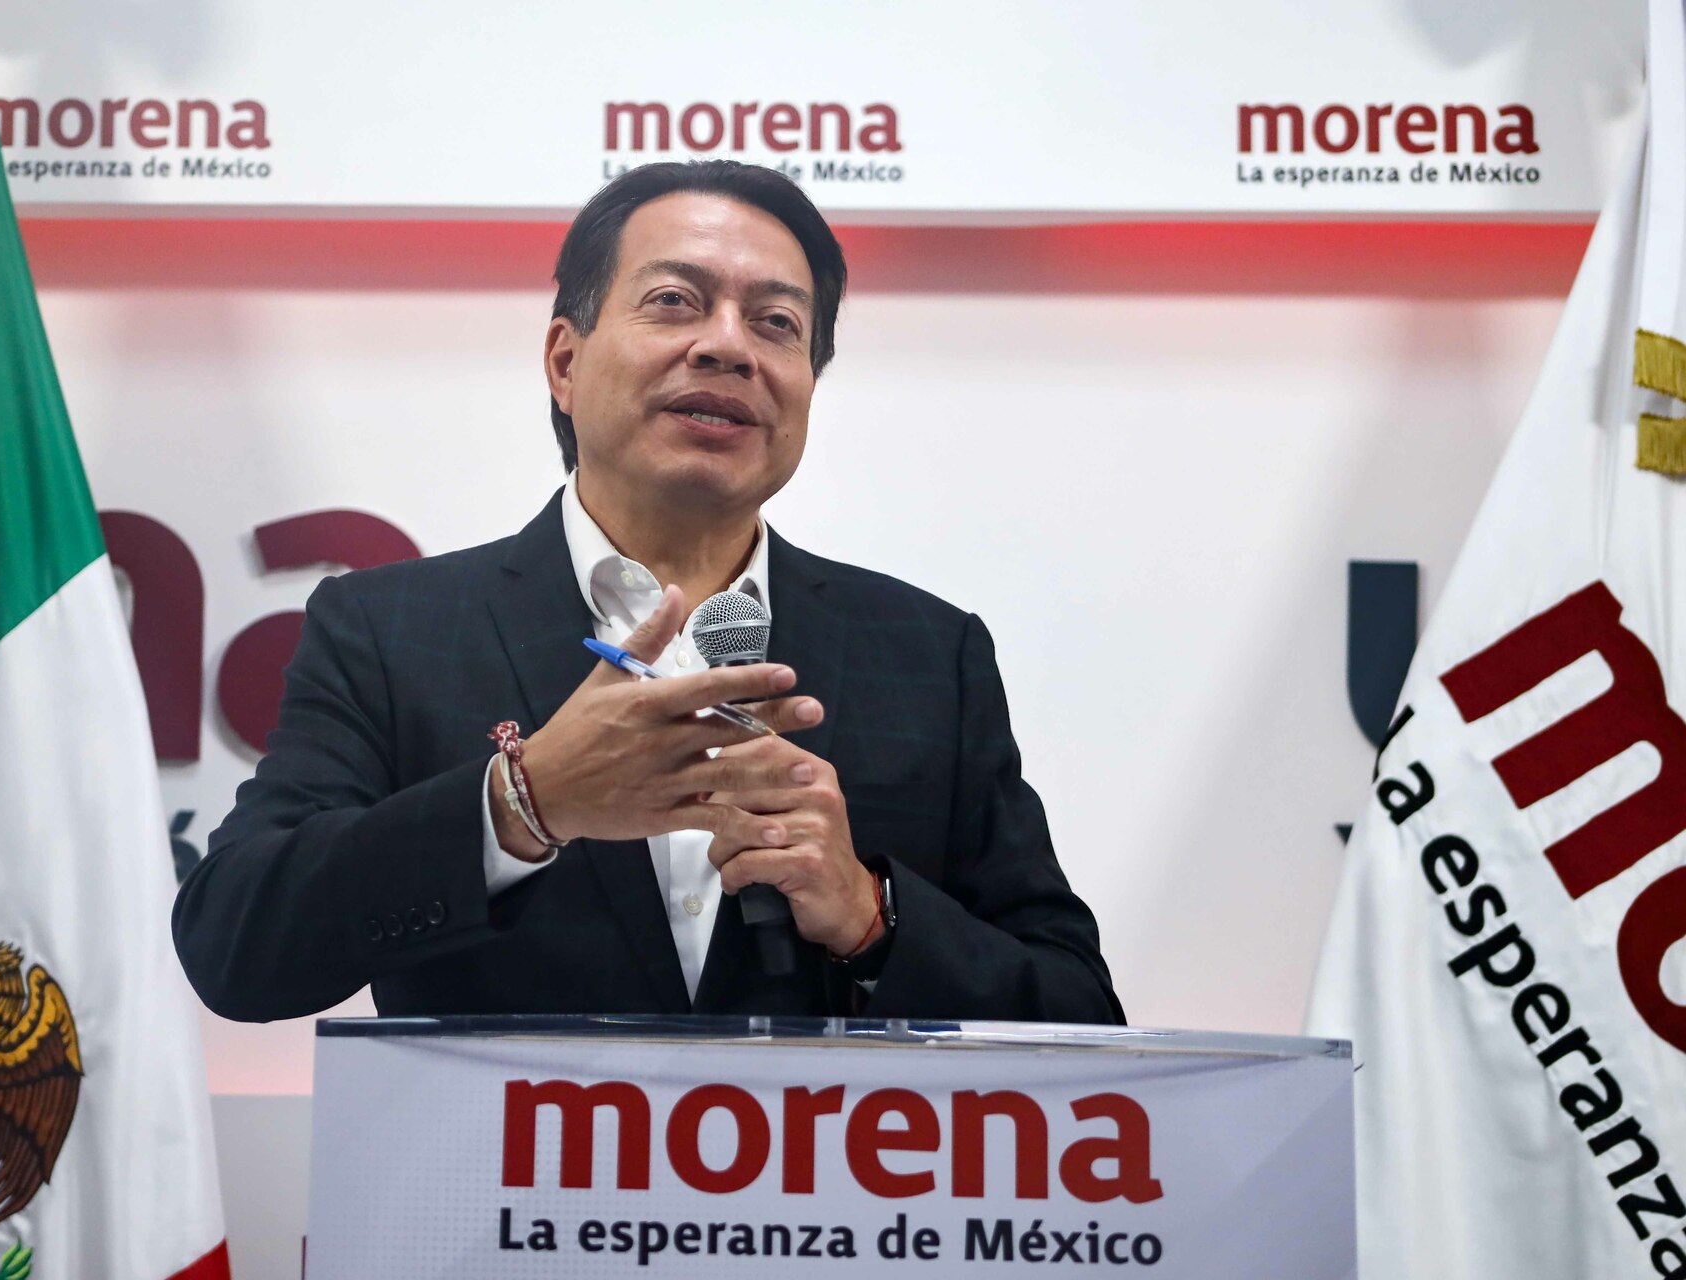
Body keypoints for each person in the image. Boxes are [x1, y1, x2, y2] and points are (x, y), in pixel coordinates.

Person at [173, 160, 1122, 1025]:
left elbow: (1082, 1019)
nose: (729, 346)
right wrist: (525, 802)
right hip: (507, 1169)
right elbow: (236, 945)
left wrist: (870, 916)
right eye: (675, 302)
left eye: (777, 323)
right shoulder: (390, 631)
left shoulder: (927, 654)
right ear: (565, 361)